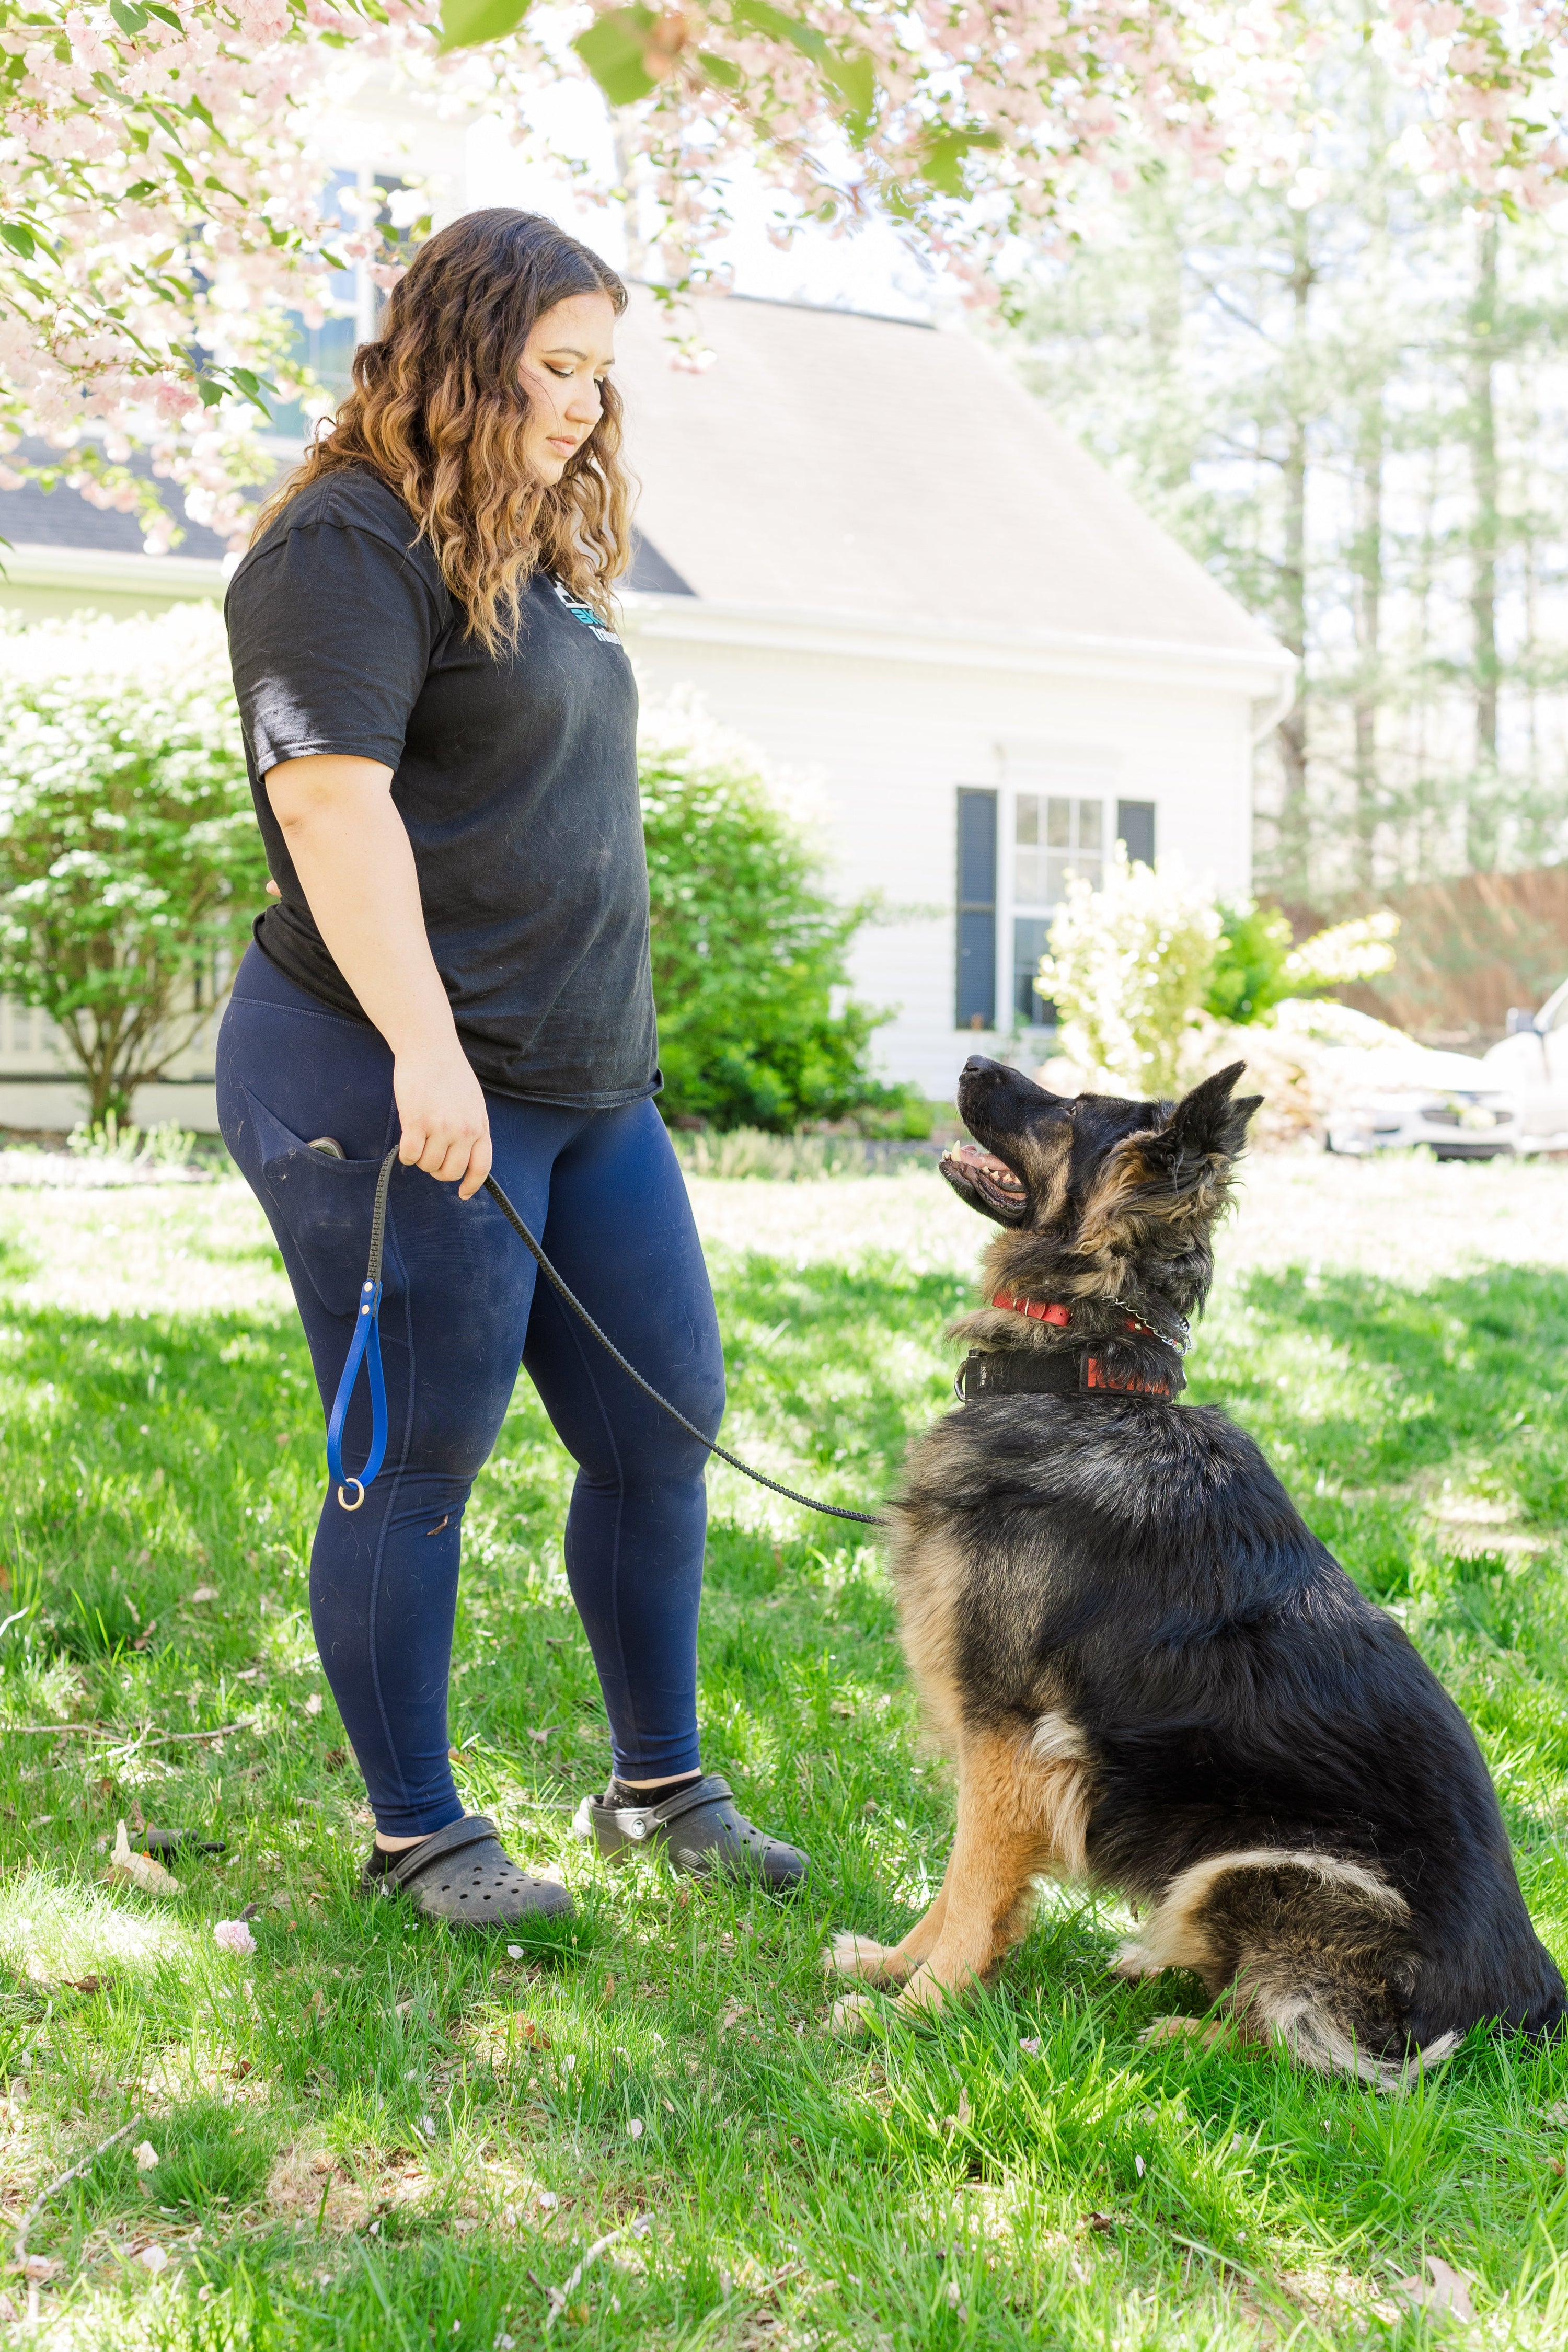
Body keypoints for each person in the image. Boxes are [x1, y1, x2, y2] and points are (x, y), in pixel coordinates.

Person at [216, 207, 809, 1928]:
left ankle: (659, 1788)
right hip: (388, 1074)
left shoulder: (525, 550)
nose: (583, 405)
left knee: (658, 1421)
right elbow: (328, 800)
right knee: (419, 1452)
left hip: (583, 1090)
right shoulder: (340, 545)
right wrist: (424, 1049)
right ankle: (417, 1831)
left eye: (600, 373)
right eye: (556, 366)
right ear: (464, 352)